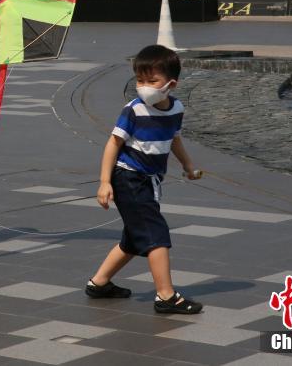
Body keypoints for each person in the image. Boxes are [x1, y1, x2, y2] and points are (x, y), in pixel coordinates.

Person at [85, 44, 204, 314]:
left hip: (149, 180)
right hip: (128, 177)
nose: (144, 86)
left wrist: (187, 165)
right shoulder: (133, 110)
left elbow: (174, 139)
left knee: (134, 237)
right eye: (140, 80)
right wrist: (104, 182)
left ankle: (99, 283)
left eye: (152, 81)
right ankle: (166, 296)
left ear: (171, 83)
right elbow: (113, 144)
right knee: (156, 234)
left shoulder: (176, 109)